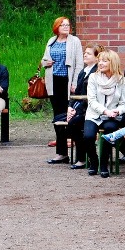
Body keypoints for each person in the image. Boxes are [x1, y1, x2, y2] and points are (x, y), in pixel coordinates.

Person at [42, 17, 84, 164]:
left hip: (68, 82)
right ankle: (61, 153)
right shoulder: (51, 41)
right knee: (57, 118)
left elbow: (79, 64)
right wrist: (45, 63)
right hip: (53, 83)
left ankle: (79, 153)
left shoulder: (74, 41)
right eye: (63, 25)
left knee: (70, 116)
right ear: (57, 27)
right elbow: (43, 61)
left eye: (68, 25)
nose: (66, 27)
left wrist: (75, 83)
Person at [83, 50, 125, 178]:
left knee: (110, 130)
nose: (100, 63)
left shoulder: (122, 81)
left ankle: (104, 164)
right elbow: (91, 101)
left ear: (112, 63)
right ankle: (94, 161)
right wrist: (104, 111)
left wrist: (117, 111)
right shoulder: (93, 78)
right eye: (100, 60)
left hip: (111, 116)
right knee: (88, 136)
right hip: (94, 114)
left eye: (104, 60)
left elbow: (124, 104)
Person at [65, 44, 101, 170]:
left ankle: (82, 158)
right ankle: (62, 154)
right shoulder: (83, 71)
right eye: (85, 53)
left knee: (74, 123)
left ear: (97, 58)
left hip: (88, 110)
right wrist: (70, 108)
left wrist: (76, 111)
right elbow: (76, 93)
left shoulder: (96, 73)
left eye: (89, 53)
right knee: (57, 119)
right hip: (78, 106)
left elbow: (88, 98)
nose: (85, 55)